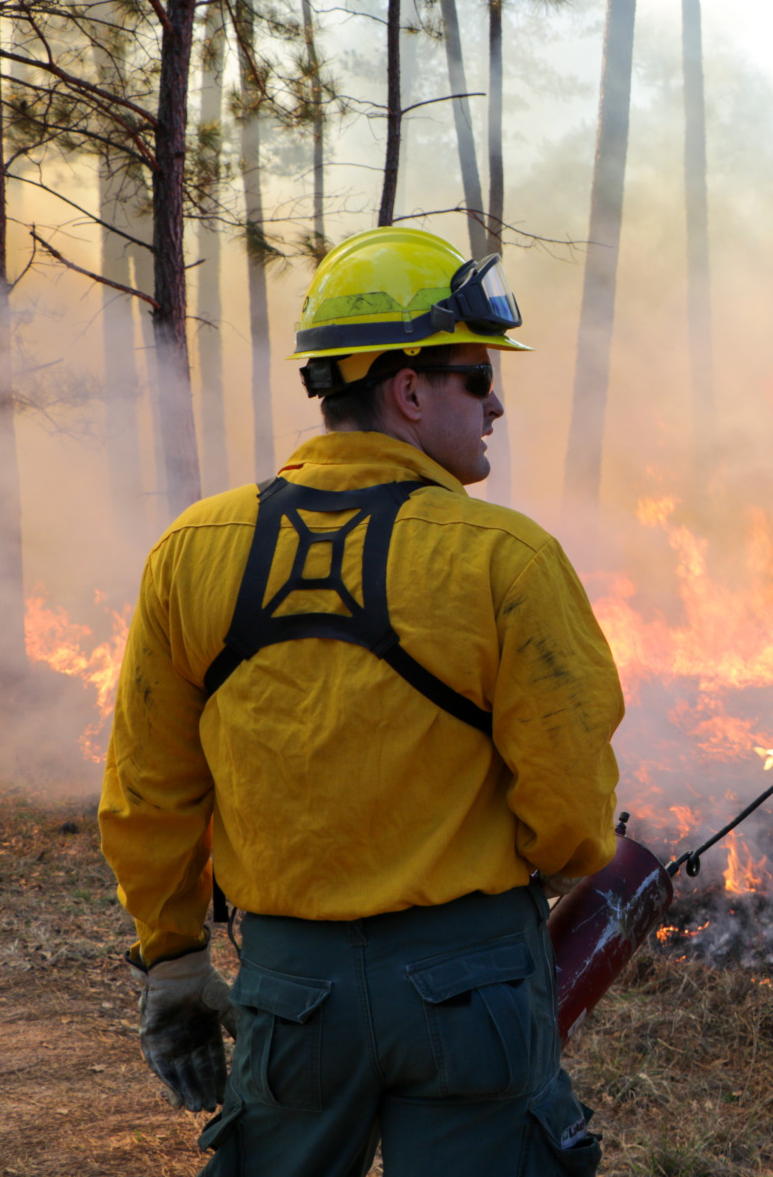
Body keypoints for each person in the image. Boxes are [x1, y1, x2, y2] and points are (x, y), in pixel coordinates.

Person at [99, 227, 620, 1176]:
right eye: (476, 376)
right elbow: (574, 814)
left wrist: (173, 960)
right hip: (474, 990)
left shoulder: (194, 550)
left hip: (293, 994)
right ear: (409, 390)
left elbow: (150, 788)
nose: (497, 402)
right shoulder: (508, 559)